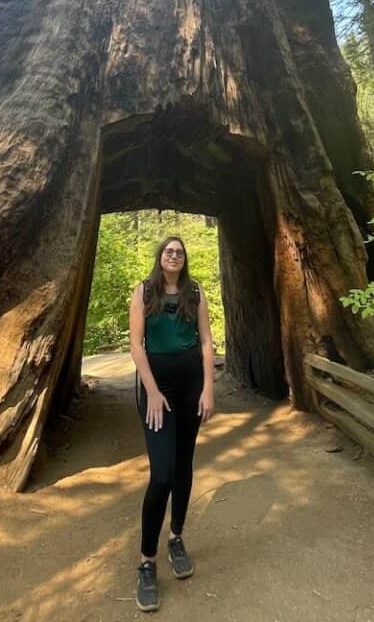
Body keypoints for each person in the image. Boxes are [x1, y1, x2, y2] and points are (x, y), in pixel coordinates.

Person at [129, 235, 215, 613]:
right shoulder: (144, 291)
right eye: (168, 251)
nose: (174, 255)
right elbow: (136, 344)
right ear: (159, 256)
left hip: (191, 386)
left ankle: (176, 538)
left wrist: (209, 389)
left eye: (179, 251)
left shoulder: (194, 292)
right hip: (157, 390)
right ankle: (147, 561)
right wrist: (152, 391)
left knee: (183, 468)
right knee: (161, 475)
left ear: (184, 258)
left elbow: (208, 342)